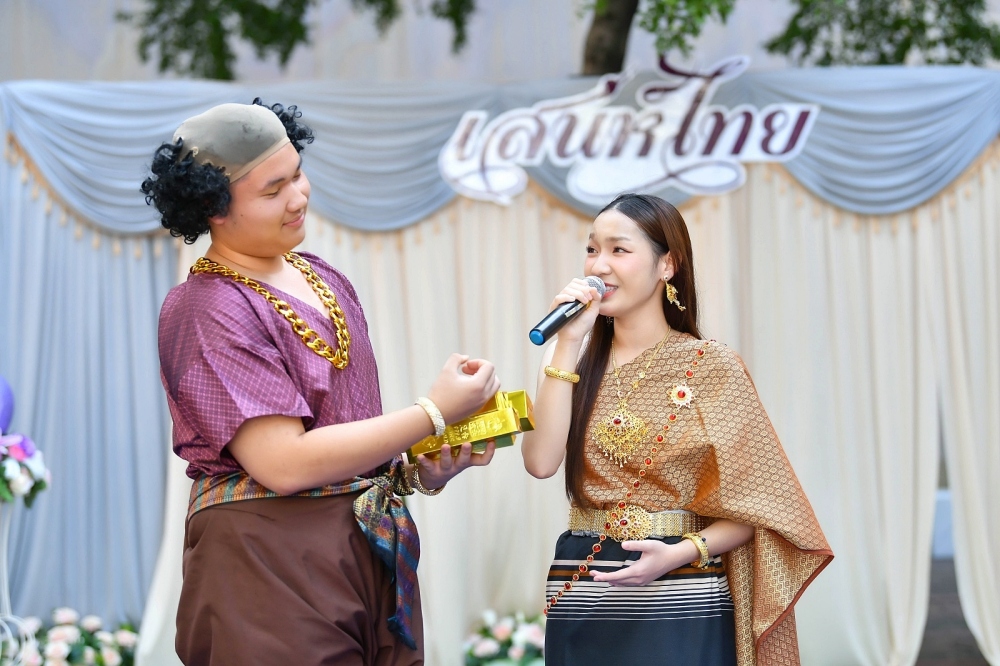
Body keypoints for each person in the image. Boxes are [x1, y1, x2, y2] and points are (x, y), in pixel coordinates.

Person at [143, 99, 500, 665]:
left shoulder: (324, 277)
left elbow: (342, 437)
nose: (298, 197)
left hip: (364, 545)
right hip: (267, 560)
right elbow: (283, 464)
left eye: (298, 174)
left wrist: (416, 467)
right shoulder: (206, 307)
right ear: (213, 208)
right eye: (273, 190)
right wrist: (431, 412)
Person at [521, 193, 832, 666]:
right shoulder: (568, 358)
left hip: (680, 585)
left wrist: (681, 551)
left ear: (667, 265)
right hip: (584, 582)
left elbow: (762, 504)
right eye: (591, 249)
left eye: (619, 250)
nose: (599, 266)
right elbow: (540, 463)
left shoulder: (712, 366)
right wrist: (567, 342)